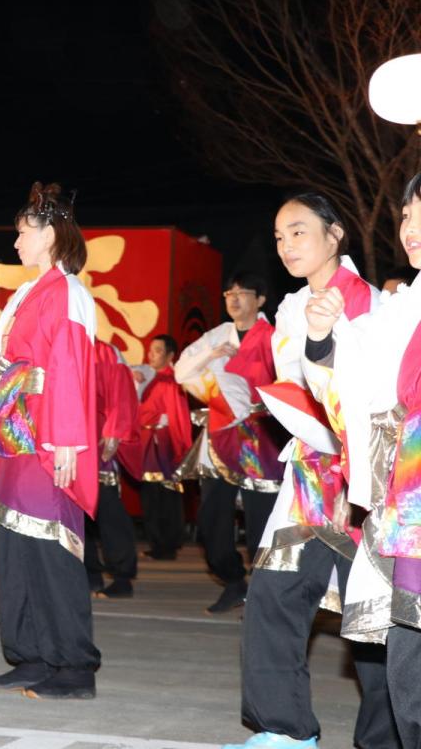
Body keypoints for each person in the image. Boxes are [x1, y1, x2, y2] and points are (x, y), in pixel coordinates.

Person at [220, 193, 397, 749]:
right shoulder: (293, 306)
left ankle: (385, 738)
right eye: (279, 236)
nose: (287, 245)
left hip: (356, 481)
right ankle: (284, 730)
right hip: (308, 478)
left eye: (298, 231)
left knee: (371, 621)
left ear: (334, 233)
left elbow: (371, 399)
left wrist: (357, 472)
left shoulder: (368, 303)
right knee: (272, 594)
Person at [0, 182, 100, 698]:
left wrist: (67, 441)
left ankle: (73, 666)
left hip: (47, 436)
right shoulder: (25, 293)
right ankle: (30, 655)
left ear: (50, 233)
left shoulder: (69, 291)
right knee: (15, 549)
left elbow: (71, 365)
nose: (15, 242)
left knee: (51, 549)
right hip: (14, 434)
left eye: (22, 232)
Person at [297, 172, 421, 747]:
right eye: (407, 215)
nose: (410, 227)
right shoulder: (406, 305)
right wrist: (325, 334)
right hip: (410, 492)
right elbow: (356, 361)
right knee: (408, 654)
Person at [175, 272, 285, 614]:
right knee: (211, 519)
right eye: (228, 293)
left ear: (260, 299)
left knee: (261, 521)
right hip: (221, 434)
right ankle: (233, 581)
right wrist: (210, 354)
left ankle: (264, 594)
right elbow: (182, 371)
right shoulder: (217, 335)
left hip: (261, 439)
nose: (234, 299)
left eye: (242, 292)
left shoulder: (276, 336)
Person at [119, 335, 192, 560]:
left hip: (162, 445)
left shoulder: (170, 382)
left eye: (158, 350)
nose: (151, 355)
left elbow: (177, 418)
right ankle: (162, 543)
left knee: (160, 496)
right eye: (151, 350)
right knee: (156, 495)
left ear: (170, 356)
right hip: (152, 442)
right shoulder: (154, 378)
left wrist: (180, 450)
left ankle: (164, 544)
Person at [84, 341, 140, 599]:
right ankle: (87, 573)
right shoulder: (56, 346)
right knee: (74, 514)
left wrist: (115, 431)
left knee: (108, 509)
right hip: (65, 442)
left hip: (97, 440)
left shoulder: (104, 352)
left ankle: (122, 575)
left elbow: (121, 392)